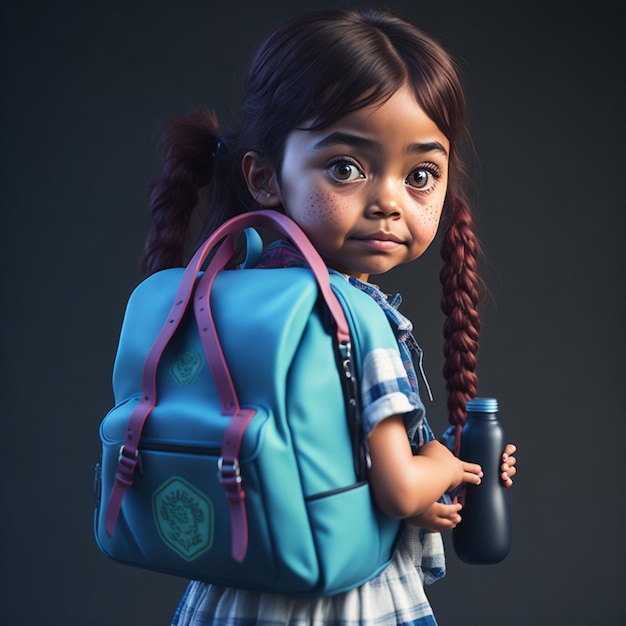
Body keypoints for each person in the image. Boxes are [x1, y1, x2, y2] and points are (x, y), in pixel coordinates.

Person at [141, 7, 518, 625]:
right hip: (336, 601)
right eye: (345, 167)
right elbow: (396, 489)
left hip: (233, 591)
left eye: (421, 173)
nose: (389, 202)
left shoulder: (231, 291)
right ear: (265, 176)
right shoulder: (359, 319)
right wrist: (446, 467)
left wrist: (436, 468)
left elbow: (314, 458)